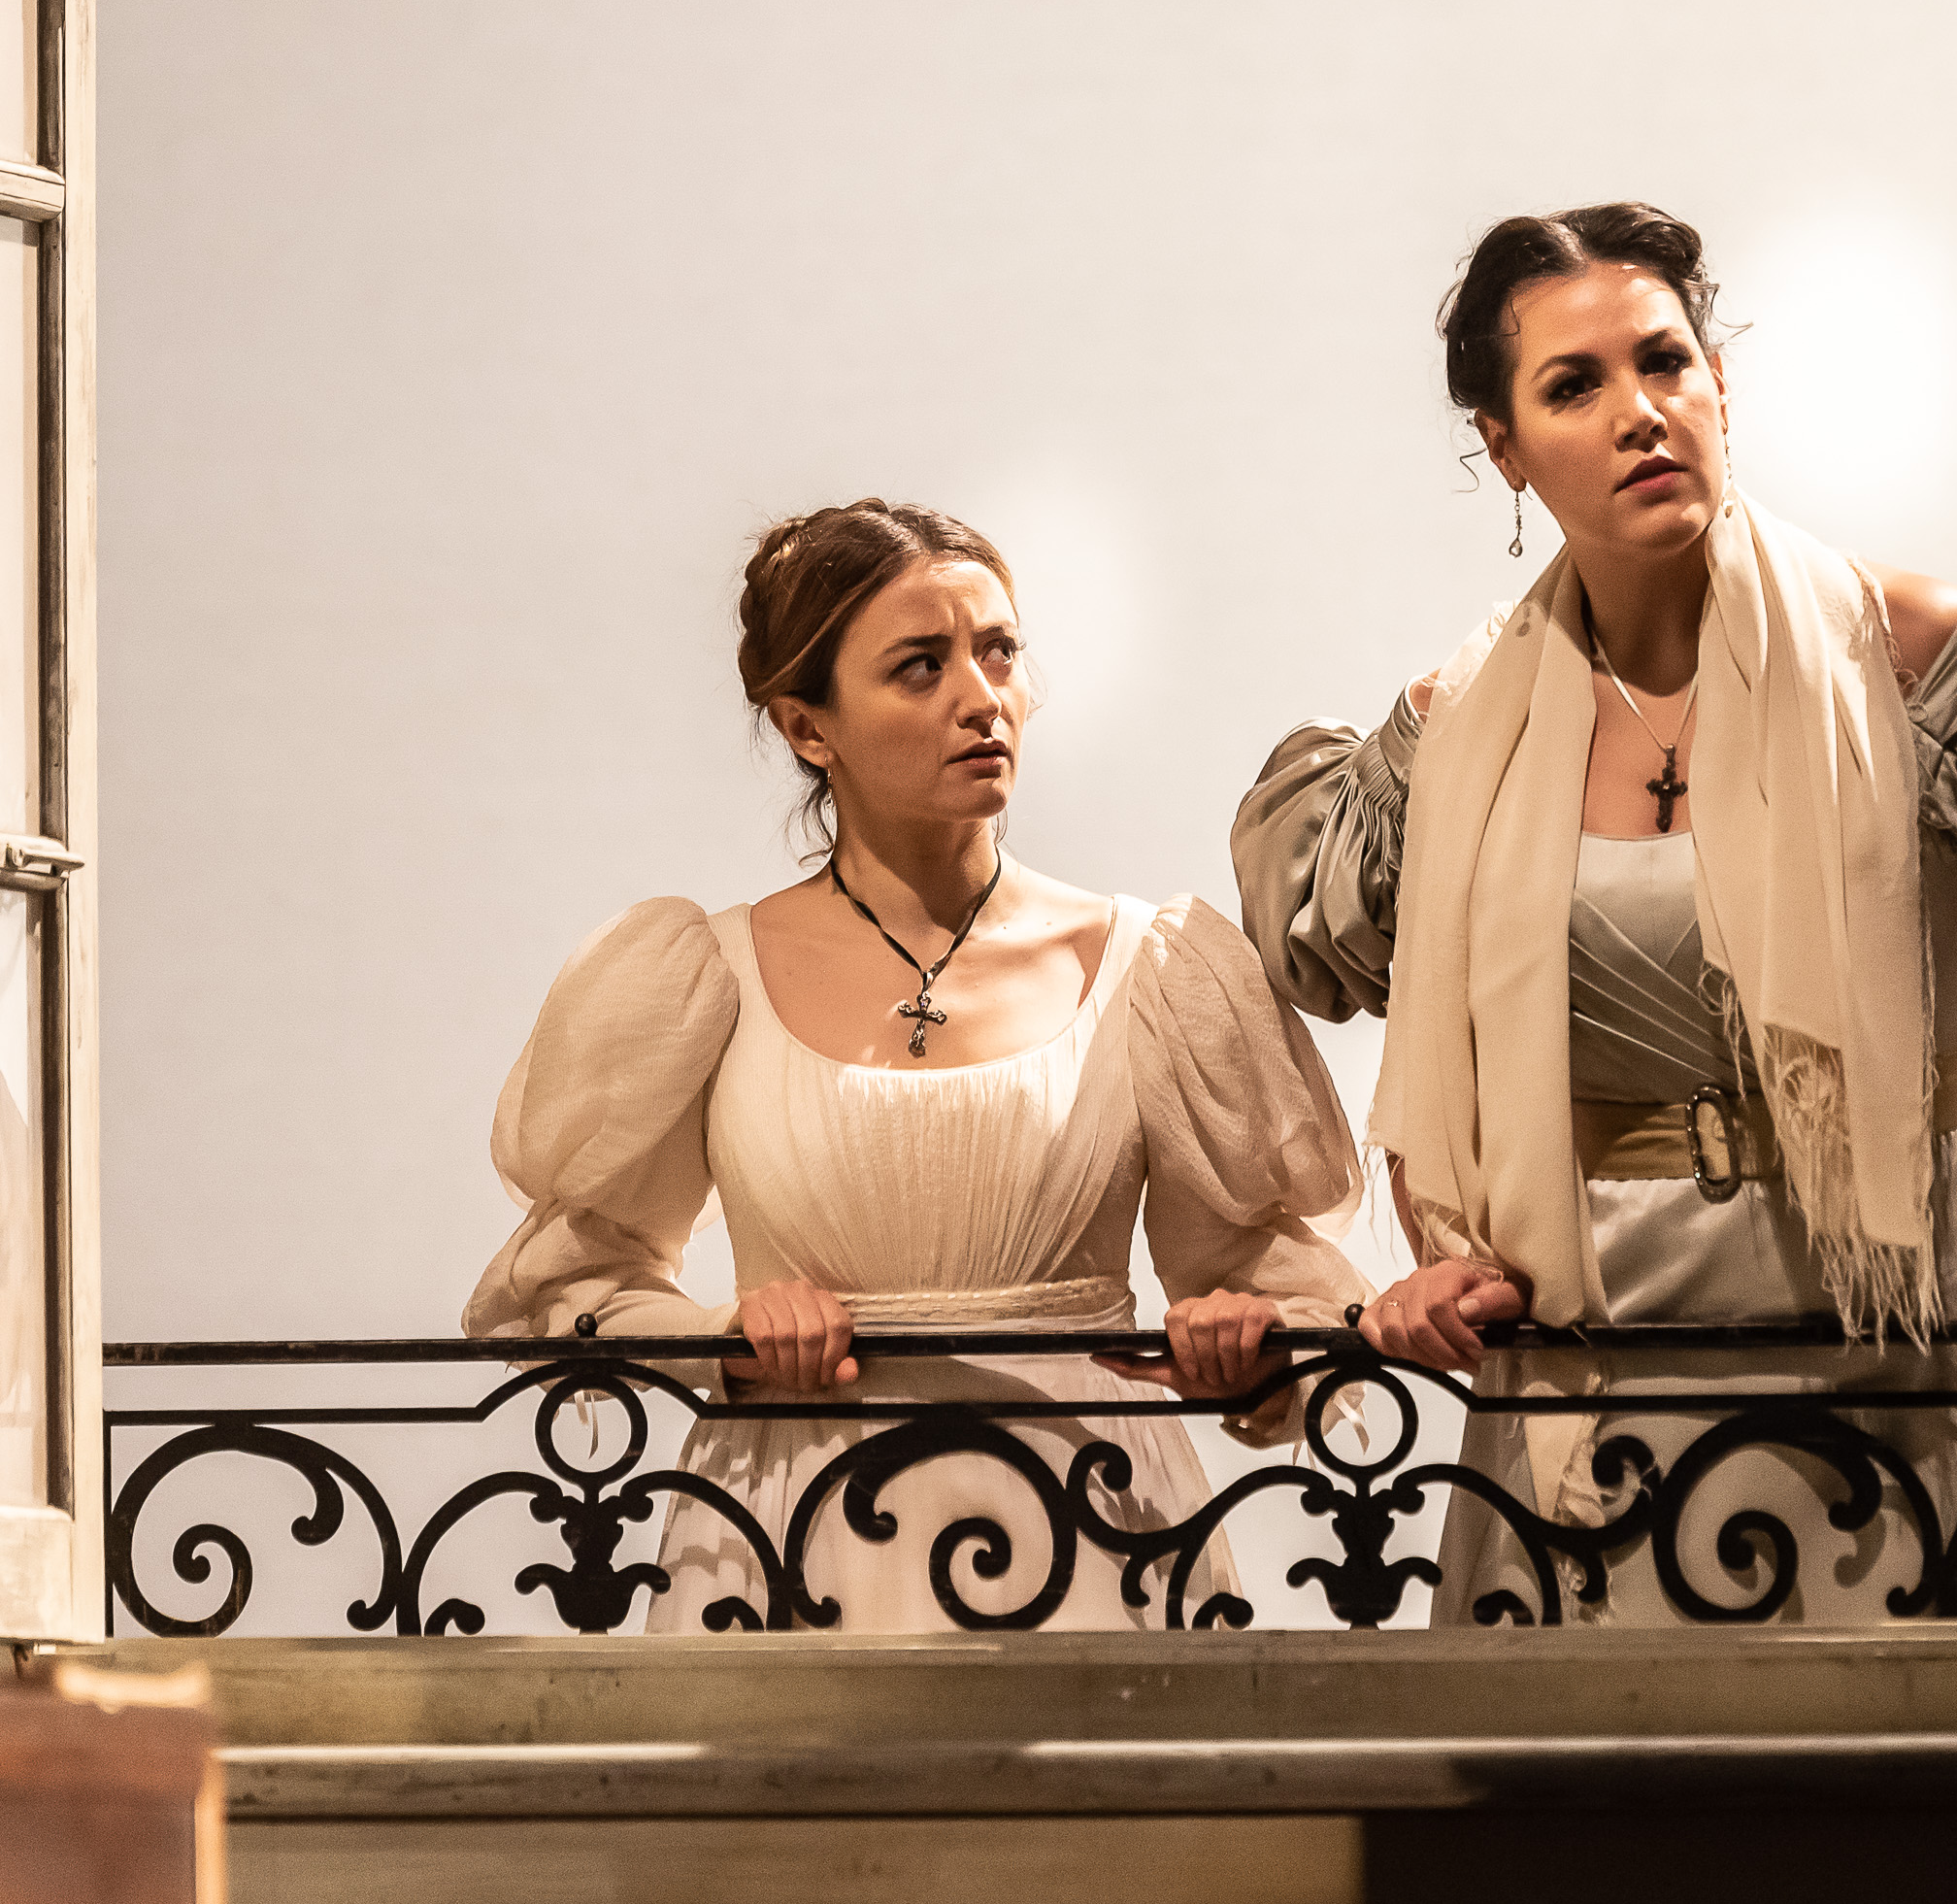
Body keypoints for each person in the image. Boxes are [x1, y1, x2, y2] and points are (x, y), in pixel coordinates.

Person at [1235, 204, 1957, 1624]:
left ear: (1718, 383)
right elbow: (1427, 1036)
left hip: (1933, 1303)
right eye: (1572, 386)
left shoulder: (1894, 651)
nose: (1637, 414)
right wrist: (1434, 1264)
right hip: (1622, 1334)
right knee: (1634, 1808)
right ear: (1500, 447)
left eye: (1663, 362)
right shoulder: (1450, 736)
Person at [466, 499, 1369, 1631]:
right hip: (788, 1529)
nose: (981, 697)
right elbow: (568, 1285)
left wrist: (1244, 1353)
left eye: (999, 651)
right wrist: (725, 1343)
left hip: (1094, 1522)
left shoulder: (1158, 967)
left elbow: (1286, 1298)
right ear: (809, 728)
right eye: (919, 666)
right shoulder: (705, 973)